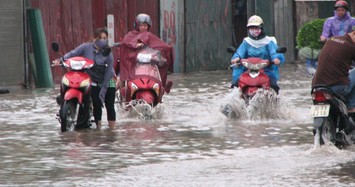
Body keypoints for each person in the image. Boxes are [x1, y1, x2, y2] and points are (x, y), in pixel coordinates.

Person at [53, 28, 116, 129]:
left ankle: (112, 131)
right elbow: (73, 53)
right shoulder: (86, 47)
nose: (103, 41)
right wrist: (61, 60)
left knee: (110, 105)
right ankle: (98, 129)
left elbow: (108, 73)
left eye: (105, 38)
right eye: (101, 38)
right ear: (94, 38)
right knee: (96, 104)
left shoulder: (108, 53)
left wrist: (103, 92)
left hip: (107, 81)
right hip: (94, 81)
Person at [118, 13, 174, 93]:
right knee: (120, 77)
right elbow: (125, 44)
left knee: (160, 68)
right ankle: (114, 91)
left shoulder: (150, 35)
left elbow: (158, 45)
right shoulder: (130, 35)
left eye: (145, 25)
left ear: (148, 26)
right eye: (141, 25)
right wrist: (135, 45)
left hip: (147, 62)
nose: (143, 27)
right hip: (131, 62)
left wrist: (167, 48)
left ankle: (162, 87)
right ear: (137, 25)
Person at [230, 15, 285, 94]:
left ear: (261, 28)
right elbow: (240, 52)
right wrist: (236, 58)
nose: (254, 30)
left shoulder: (268, 41)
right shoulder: (246, 42)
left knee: (273, 85)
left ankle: (276, 101)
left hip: (266, 70)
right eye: (251, 28)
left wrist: (276, 59)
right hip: (248, 69)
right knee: (235, 84)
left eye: (256, 28)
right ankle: (234, 101)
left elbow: (273, 52)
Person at [312, 29, 355, 114]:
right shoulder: (351, 46)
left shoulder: (331, 39)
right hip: (336, 87)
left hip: (316, 87)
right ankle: (351, 107)